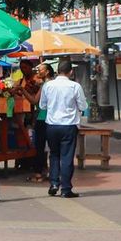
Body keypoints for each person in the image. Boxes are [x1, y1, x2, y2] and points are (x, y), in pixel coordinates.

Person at [39, 60, 88, 198]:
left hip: (51, 125)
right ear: (71, 72)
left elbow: (42, 106)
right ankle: (66, 188)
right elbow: (83, 106)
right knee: (66, 156)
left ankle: (54, 183)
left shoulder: (48, 85)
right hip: (69, 125)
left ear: (57, 71)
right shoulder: (75, 86)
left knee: (54, 154)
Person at [28, 62, 54, 183]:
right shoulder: (52, 84)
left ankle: (39, 173)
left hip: (43, 118)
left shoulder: (46, 85)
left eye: (40, 69)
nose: (38, 71)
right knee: (52, 147)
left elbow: (34, 100)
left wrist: (22, 91)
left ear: (47, 71)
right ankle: (51, 171)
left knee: (39, 146)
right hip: (53, 119)